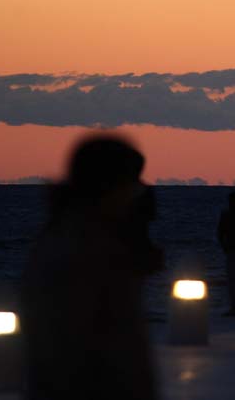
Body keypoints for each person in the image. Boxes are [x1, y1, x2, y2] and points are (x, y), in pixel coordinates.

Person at [21, 135, 160, 400]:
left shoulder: (84, 240)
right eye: (130, 182)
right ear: (108, 185)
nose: (137, 190)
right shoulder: (80, 252)